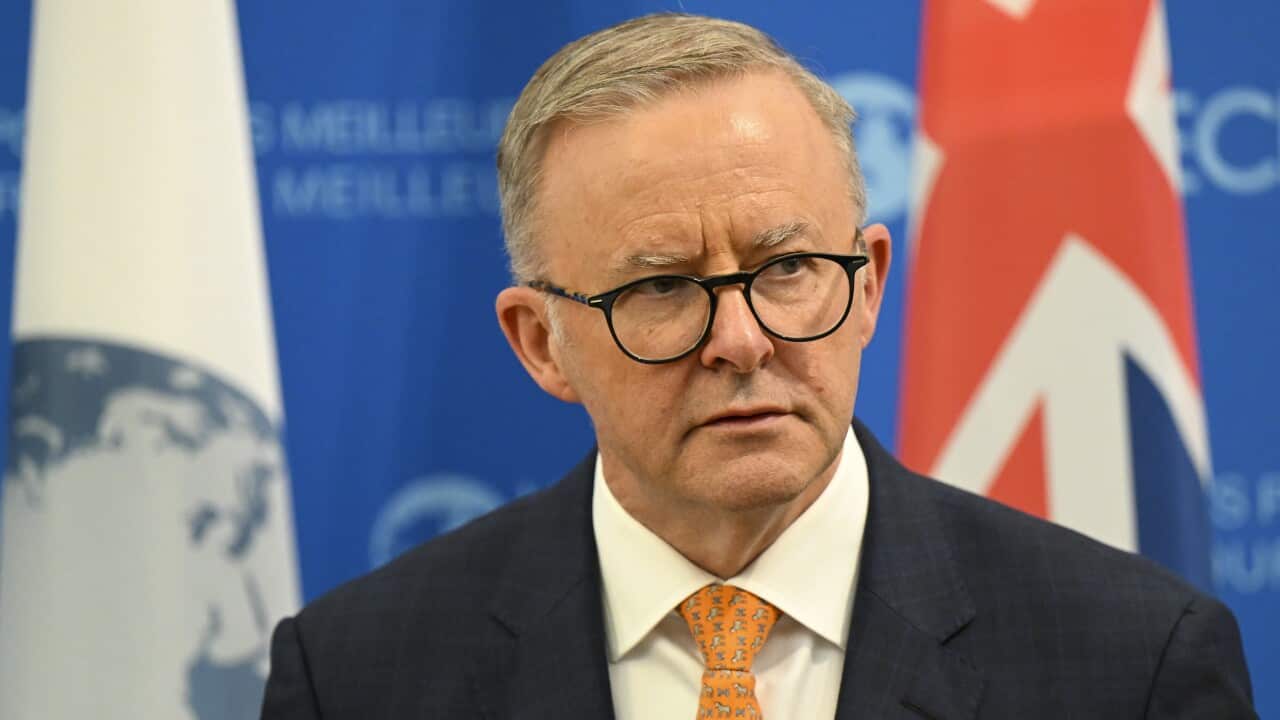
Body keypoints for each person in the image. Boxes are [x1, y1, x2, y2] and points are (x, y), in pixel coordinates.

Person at [261, 13, 1256, 719]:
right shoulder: (359, 674)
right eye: (659, 288)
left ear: (866, 284)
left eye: (785, 269)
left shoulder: (1129, 665)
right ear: (539, 343)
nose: (739, 340)